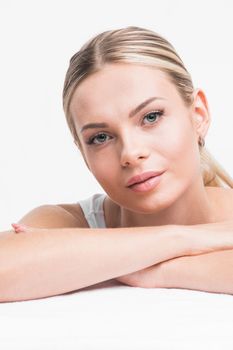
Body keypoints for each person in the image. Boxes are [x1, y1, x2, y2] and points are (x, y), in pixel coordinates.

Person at [1, 26, 233, 302]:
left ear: (198, 114)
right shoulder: (73, 221)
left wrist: (163, 270)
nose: (131, 153)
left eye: (151, 117)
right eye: (100, 137)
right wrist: (185, 240)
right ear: (83, 154)